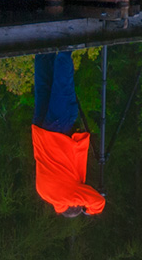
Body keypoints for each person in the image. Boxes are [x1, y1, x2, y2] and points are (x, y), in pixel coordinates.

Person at [31, 51, 106, 217]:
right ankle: (42, 47)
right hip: (40, 132)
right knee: (44, 86)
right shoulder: (44, 194)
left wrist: (89, 210)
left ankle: (65, 47)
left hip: (59, 133)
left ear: (74, 203)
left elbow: (99, 202)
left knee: (63, 88)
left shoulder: (69, 195)